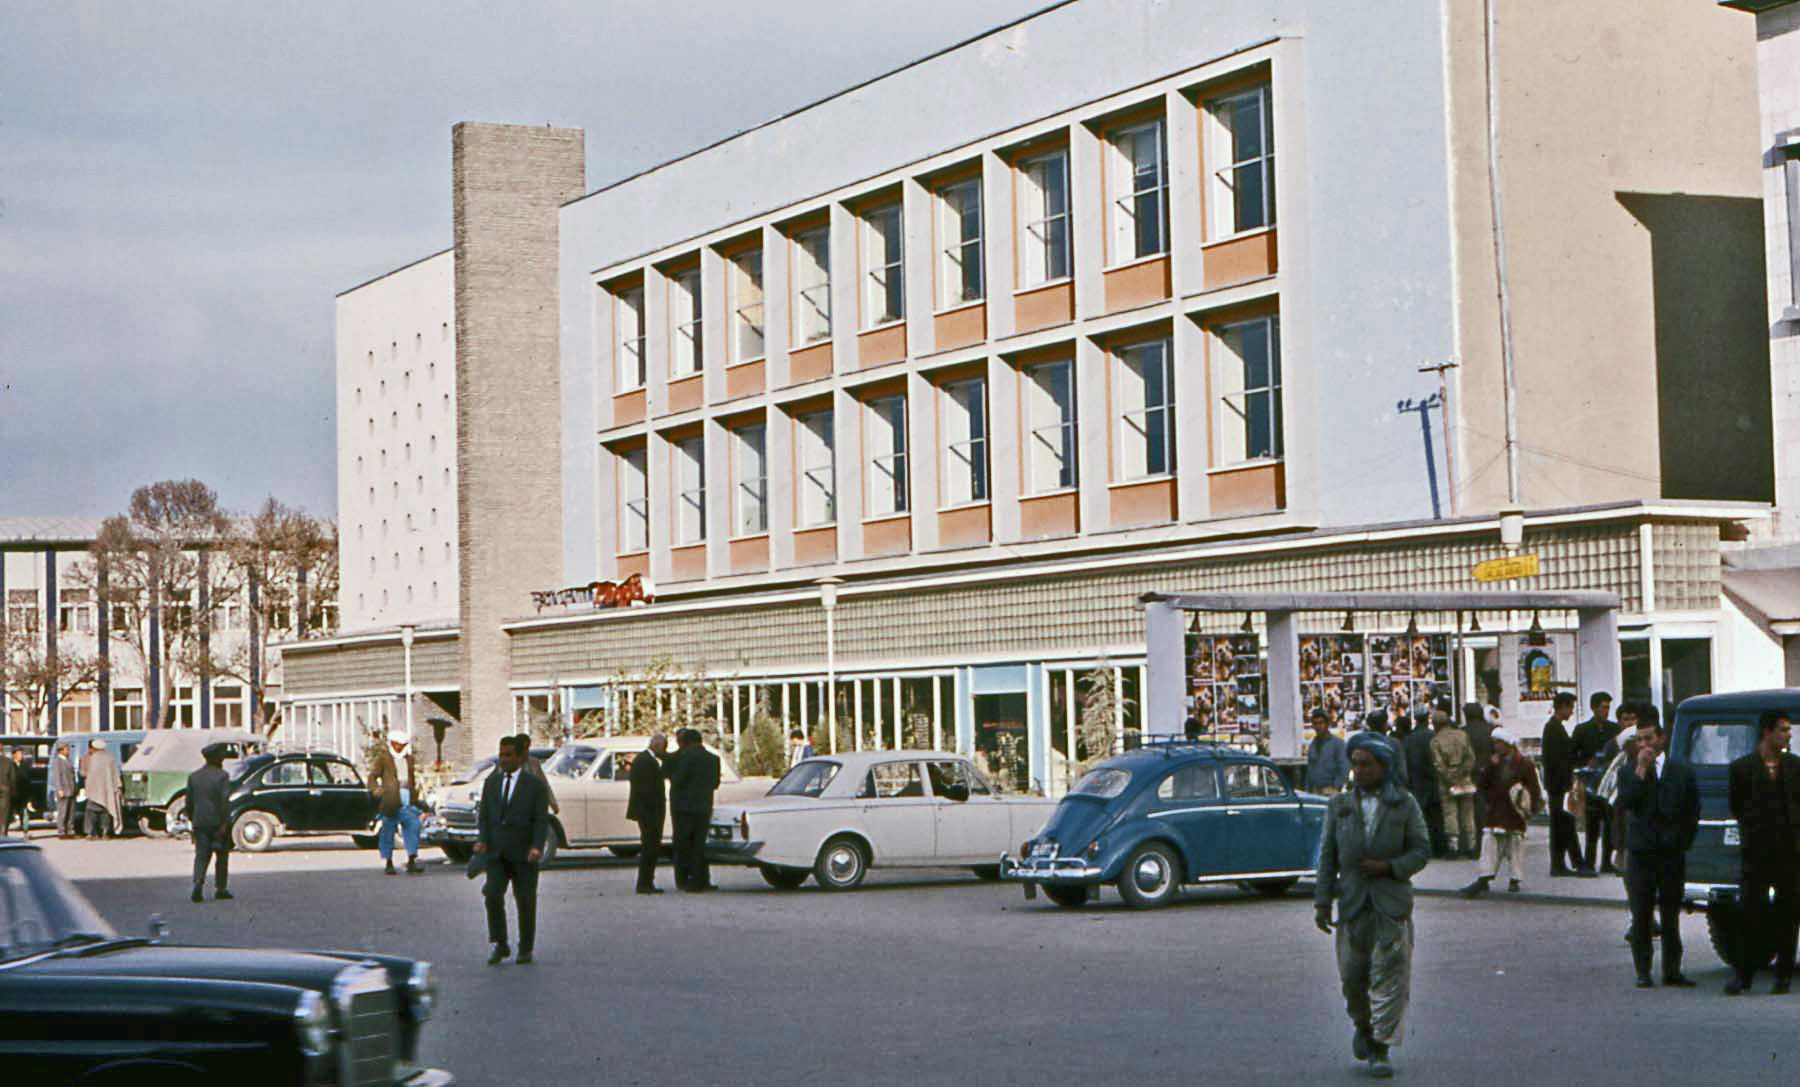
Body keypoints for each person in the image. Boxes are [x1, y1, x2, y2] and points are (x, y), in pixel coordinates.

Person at [1314, 733, 1431, 1080]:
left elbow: (1422, 850)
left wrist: (1390, 868)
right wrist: (1322, 902)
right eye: (1355, 763)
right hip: (1352, 904)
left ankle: (1380, 1047)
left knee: (1389, 976)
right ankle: (1362, 1026)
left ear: (1383, 766)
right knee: (1353, 978)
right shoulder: (1340, 806)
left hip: (1390, 904)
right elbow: (1327, 858)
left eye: (1366, 764)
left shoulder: (1404, 804)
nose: (1359, 770)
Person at [1618, 706, 1699, 989]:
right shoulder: (1629, 771)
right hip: (1641, 853)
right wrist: (1641, 769)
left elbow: (1692, 811)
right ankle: (1643, 970)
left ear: (1661, 739)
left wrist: (1682, 842)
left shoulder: (1681, 771)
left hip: (1670, 853)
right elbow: (1627, 803)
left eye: (1649, 739)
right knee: (1641, 915)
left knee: (1670, 915)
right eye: (1639, 740)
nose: (1644, 745)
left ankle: (1672, 970)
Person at [1724, 711, 1800, 995]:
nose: (1788, 735)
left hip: (1790, 853)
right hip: (1757, 853)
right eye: (1782, 730)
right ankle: (1743, 975)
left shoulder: (1795, 766)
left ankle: (1783, 976)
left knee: (1788, 915)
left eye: (1789, 730)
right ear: (1766, 733)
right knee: (1750, 914)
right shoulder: (1742, 768)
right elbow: (1737, 806)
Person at [476, 736, 551, 965]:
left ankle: (525, 948)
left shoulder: (534, 786)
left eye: (509, 755)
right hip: (497, 853)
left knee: (525, 901)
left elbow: (541, 819)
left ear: (520, 757)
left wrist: (537, 846)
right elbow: (485, 816)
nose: (504, 760)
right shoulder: (491, 783)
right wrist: (482, 840)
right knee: (492, 893)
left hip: (524, 853)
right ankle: (500, 943)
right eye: (501, 755)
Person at [1460, 728, 1544, 896]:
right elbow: (1482, 785)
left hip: (1515, 812)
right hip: (1497, 811)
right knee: (1490, 844)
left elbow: (1534, 790)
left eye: (1498, 743)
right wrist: (1490, 767)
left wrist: (1530, 810)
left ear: (1508, 745)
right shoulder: (1494, 764)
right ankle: (1484, 878)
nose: (1496, 746)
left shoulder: (1525, 765)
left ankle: (1515, 879)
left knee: (1515, 845)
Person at [1541, 691, 1590, 877]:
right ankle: (1575, 863)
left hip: (1557, 785)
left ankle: (1560, 864)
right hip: (1559, 786)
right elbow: (1556, 760)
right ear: (1562, 707)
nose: (1571, 712)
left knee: (1561, 826)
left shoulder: (1555, 727)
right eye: (1570, 707)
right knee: (1565, 824)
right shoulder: (1553, 728)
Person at [1571, 691, 1620, 874]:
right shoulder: (1582, 730)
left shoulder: (1613, 729)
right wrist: (1584, 764)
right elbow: (1572, 755)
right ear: (1593, 708)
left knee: (1609, 824)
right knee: (1592, 825)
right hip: (1591, 783)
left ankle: (1607, 861)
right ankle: (1589, 862)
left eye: (1608, 707)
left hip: (1608, 783)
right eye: (1603, 707)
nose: (1606, 711)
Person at [666, 728, 720, 892]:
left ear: (687, 743)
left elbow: (677, 780)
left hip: (683, 808)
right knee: (700, 845)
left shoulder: (685, 758)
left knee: (683, 845)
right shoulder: (713, 759)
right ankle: (702, 879)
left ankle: (684, 880)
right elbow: (715, 784)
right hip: (704, 806)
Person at [368, 730, 423, 875]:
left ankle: (412, 860)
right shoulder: (384, 759)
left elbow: (412, 779)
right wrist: (377, 790)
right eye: (398, 745)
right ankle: (388, 862)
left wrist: (415, 796)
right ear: (392, 744)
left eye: (403, 745)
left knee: (413, 826)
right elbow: (372, 777)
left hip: (407, 798)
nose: (401, 747)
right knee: (388, 831)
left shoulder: (408, 759)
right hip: (391, 800)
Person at [187, 743, 234, 903]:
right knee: (221, 856)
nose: (222, 759)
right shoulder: (222, 776)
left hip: (200, 822)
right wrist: (225, 823)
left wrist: (192, 820)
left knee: (201, 855)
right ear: (216, 758)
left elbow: (189, 802)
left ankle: (198, 884)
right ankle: (220, 888)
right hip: (217, 822)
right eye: (221, 757)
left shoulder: (194, 776)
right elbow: (224, 802)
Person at [1431, 710, 1477, 858]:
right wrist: (1463, 773)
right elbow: (1471, 758)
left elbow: (1438, 765)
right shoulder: (1462, 735)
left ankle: (1454, 847)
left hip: (1447, 782)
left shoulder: (1436, 741)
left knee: (1450, 813)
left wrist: (1450, 777)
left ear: (1436, 724)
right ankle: (1472, 846)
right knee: (1468, 813)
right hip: (1465, 778)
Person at [626, 734, 668, 895]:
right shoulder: (646, 761)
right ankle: (645, 882)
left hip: (645, 810)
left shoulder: (642, 760)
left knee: (649, 846)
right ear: (657, 746)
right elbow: (646, 789)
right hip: (649, 812)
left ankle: (646, 881)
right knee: (650, 847)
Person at [1403, 710, 1444, 856]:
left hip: (1416, 782)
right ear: (1427, 719)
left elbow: (1407, 761)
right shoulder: (1433, 736)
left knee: (1420, 817)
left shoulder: (1409, 739)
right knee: (1436, 817)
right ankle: (1439, 848)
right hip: (1433, 781)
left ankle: (1423, 848)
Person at [82, 740, 123, 839]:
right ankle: (105, 832)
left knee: (91, 812)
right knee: (106, 811)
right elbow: (115, 774)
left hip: (94, 791)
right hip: (107, 790)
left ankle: (91, 833)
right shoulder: (110, 758)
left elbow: (87, 775)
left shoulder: (92, 758)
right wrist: (117, 786)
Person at [512, 734, 560, 817]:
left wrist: (552, 803)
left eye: (527, 748)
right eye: (522, 749)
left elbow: (544, 784)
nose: (525, 752)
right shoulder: (510, 765)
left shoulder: (534, 763)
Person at [1307, 709, 1350, 796]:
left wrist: (1337, 787)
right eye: (1315, 723)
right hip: (1315, 790)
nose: (1318, 726)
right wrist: (1308, 789)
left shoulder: (1338, 743)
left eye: (1321, 723)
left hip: (1331, 789)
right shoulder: (1313, 744)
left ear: (1327, 724)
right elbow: (1310, 768)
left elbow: (1344, 766)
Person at [48, 744, 78, 838]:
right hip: (63, 790)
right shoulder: (57, 761)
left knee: (70, 812)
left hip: (71, 790)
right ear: (61, 750)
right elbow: (57, 776)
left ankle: (70, 830)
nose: (68, 751)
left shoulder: (68, 760)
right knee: (63, 812)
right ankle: (61, 831)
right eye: (66, 749)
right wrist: (59, 789)